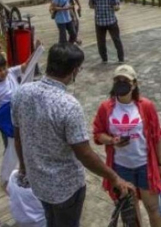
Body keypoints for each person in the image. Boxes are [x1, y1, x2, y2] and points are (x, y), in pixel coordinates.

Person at [12, 43, 134, 227]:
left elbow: (18, 135)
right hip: (66, 188)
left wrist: (23, 166)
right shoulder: (68, 105)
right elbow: (84, 153)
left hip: (37, 182)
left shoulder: (21, 93)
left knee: (51, 220)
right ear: (74, 71)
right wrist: (114, 178)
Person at [93, 65, 161, 227]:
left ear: (134, 84)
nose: (121, 83)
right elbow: (98, 134)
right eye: (117, 80)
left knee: (153, 207)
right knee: (131, 213)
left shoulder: (146, 106)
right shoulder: (106, 108)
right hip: (121, 167)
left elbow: (157, 137)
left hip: (145, 166)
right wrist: (112, 141)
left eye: (125, 80)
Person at [0, 42, 40, 187]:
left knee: (22, 143)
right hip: (8, 120)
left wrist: (35, 51)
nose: (3, 72)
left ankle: (23, 168)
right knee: (11, 146)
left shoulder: (10, 72)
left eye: (3, 68)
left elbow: (25, 66)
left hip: (20, 114)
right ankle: (7, 176)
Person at [89, 0, 124, 64]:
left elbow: (91, 6)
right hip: (111, 20)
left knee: (101, 41)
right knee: (116, 39)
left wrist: (98, 6)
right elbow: (117, 7)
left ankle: (104, 59)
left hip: (99, 21)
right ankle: (120, 58)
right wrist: (111, 7)